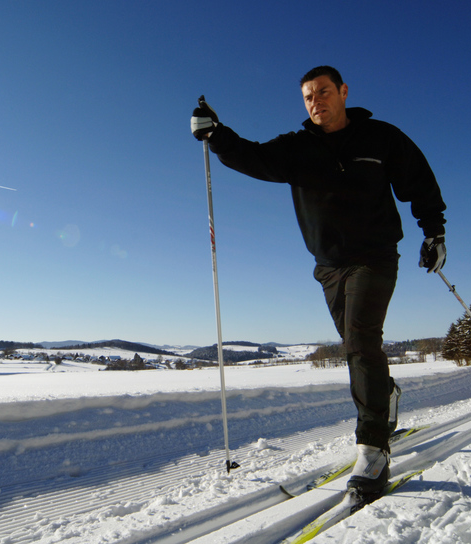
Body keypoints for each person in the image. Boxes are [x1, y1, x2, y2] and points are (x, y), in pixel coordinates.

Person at [190, 66, 447, 495]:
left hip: (376, 256)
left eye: (323, 92)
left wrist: (434, 231)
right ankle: (385, 394)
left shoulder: (381, 138)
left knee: (362, 338)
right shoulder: (296, 148)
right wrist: (216, 135)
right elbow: (252, 155)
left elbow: (419, 181)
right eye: (308, 97)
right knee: (354, 343)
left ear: (343, 92)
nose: (316, 102)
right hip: (328, 265)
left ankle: (373, 449)